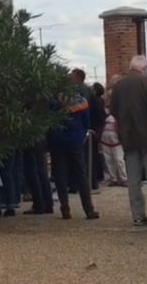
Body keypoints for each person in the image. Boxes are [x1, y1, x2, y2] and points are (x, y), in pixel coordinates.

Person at [110, 54, 147, 227]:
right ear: (144, 68)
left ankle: (138, 215)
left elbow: (114, 110)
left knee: (133, 178)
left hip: (128, 135)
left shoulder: (119, 85)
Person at [48, 88, 100, 220]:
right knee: (81, 174)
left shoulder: (53, 101)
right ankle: (89, 209)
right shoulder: (80, 101)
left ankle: (65, 208)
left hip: (57, 140)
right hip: (75, 140)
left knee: (60, 176)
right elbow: (86, 122)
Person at [101, 95, 127, 186]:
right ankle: (113, 178)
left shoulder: (120, 111)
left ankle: (123, 178)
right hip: (105, 136)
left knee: (119, 159)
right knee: (108, 159)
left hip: (116, 136)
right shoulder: (104, 111)